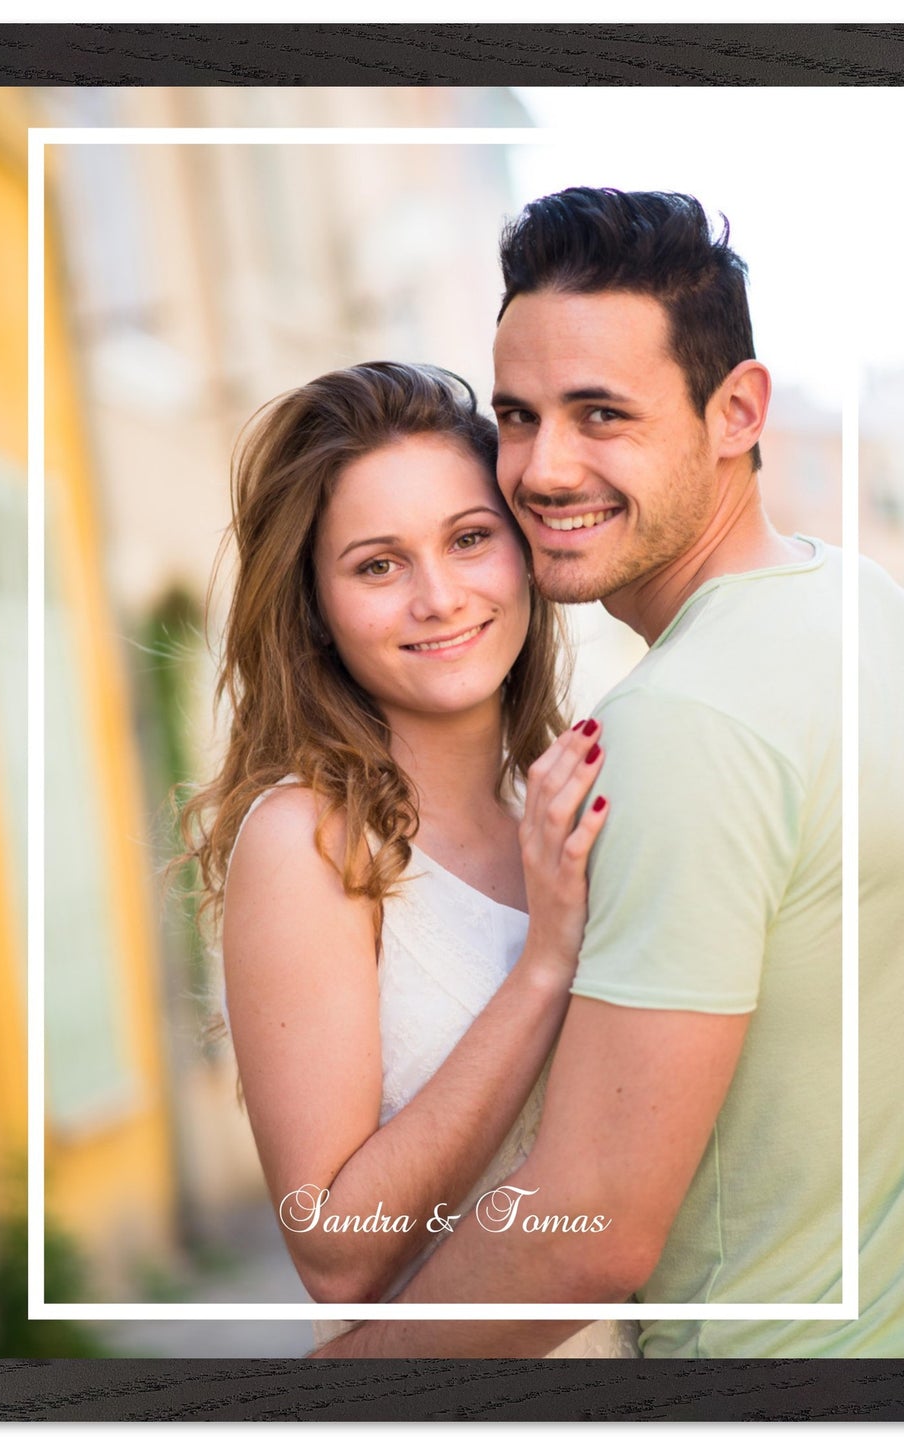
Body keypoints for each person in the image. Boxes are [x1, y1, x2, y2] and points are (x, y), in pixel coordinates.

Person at [314, 188, 904, 1359]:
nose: (539, 468)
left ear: (736, 409)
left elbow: (588, 1231)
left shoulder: (682, 718)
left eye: (600, 414)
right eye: (519, 416)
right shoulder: (859, 601)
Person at [178, 360, 640, 1357]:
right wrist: (544, 964)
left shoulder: (556, 801)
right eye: (377, 564)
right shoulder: (307, 839)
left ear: (524, 551)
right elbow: (336, 1254)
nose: (439, 596)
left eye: (469, 539)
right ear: (314, 606)